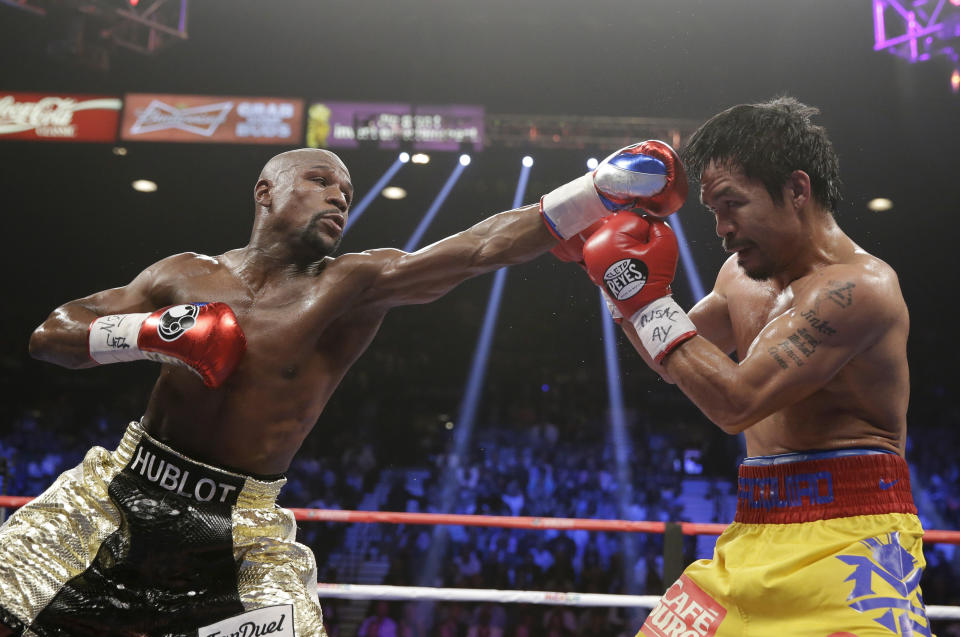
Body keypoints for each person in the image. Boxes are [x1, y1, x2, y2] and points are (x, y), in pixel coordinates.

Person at [0, 143, 686, 637]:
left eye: (348, 193)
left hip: (237, 530)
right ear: (266, 191)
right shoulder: (185, 274)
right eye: (321, 180)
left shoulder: (349, 284)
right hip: (116, 494)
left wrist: (595, 191)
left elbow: (475, 249)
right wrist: (153, 331)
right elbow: (52, 333)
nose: (339, 196)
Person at [574, 97, 932, 635]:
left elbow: (734, 401)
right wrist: (615, 285)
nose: (721, 228)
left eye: (732, 205)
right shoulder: (737, 277)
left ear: (796, 190)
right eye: (713, 212)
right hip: (753, 529)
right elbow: (676, 361)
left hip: (853, 543)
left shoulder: (861, 289)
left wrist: (641, 296)